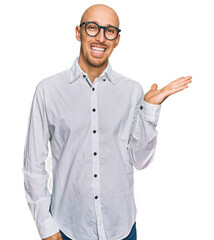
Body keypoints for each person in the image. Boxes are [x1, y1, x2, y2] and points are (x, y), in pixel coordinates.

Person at [22, 4, 192, 240]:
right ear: (78, 32)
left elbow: (140, 160)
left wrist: (150, 109)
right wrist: (46, 227)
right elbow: (33, 166)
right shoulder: (48, 90)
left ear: (117, 40)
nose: (101, 38)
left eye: (110, 31)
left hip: (121, 229)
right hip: (67, 229)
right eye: (92, 28)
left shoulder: (132, 91)